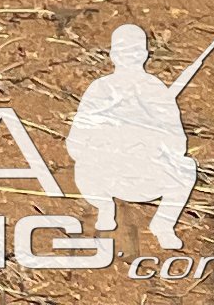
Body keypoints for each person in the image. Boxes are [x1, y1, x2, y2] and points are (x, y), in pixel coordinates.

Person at [66, 24, 203, 249]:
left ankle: (163, 224)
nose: (129, 58)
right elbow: (76, 143)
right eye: (123, 52)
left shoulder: (156, 91)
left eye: (134, 52)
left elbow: (177, 144)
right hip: (107, 174)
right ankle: (104, 206)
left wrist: (148, 139)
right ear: (113, 56)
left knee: (186, 167)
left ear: (144, 55)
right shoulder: (100, 89)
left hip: (146, 175)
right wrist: (110, 140)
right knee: (84, 164)